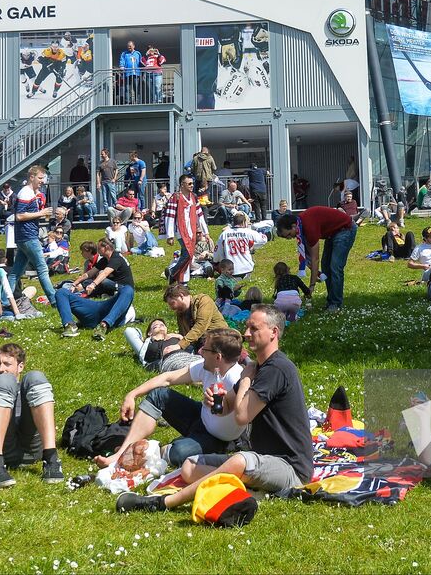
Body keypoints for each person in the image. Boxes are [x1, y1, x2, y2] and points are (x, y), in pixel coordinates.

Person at [117, 306, 313, 513]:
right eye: (247, 327)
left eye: (253, 328)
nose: (246, 334)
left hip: (290, 468)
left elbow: (242, 416)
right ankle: (249, 490)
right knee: (189, 466)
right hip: (263, 458)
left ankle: (162, 503)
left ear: (274, 332)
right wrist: (215, 403)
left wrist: (245, 379)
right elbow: (228, 405)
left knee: (239, 460)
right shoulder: (259, 367)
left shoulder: (275, 368)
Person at [102, 327, 248, 471]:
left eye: (205, 349)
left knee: (179, 453)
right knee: (159, 394)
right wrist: (132, 395)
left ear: (218, 357)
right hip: (200, 419)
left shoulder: (237, 380)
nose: (200, 351)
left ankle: (145, 452)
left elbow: (246, 414)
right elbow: (167, 378)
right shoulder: (207, 367)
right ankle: (122, 452)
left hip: (219, 440)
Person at [0, 344, 64, 488]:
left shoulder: (29, 388)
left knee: (36, 376)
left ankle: (52, 460)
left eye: (7, 364)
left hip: (31, 449)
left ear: (20, 366)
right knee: (5, 381)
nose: (0, 369)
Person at [275, 206, 356, 313]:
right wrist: (316, 272)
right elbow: (309, 257)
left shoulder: (309, 226)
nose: (290, 238)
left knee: (335, 267)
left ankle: (335, 304)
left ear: (294, 226)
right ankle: (331, 301)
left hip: (346, 229)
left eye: (289, 234)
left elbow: (315, 259)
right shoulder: (302, 226)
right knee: (326, 267)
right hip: (332, 234)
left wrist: (312, 285)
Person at [55, 238, 134, 340]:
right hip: (95, 309)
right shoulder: (105, 260)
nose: (96, 249)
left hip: (116, 300)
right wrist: (74, 284)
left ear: (106, 247)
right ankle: (69, 326)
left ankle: (104, 325)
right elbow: (89, 273)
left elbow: (105, 273)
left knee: (127, 289)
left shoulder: (116, 258)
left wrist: (93, 284)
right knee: (61, 292)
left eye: (99, 246)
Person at [8, 166, 62, 309]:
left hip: (23, 237)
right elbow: (19, 216)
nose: (42, 181)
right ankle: (54, 300)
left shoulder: (30, 192)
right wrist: (41, 213)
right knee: (42, 269)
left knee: (16, 273)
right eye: (39, 178)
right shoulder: (25, 192)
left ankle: (5, 300)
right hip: (28, 236)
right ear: (31, 177)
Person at [164, 175, 208, 285]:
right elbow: (169, 216)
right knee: (187, 254)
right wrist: (170, 235)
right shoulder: (176, 197)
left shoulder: (193, 197)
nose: (192, 185)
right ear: (182, 184)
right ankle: (174, 272)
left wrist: (205, 231)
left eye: (192, 183)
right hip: (180, 230)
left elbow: (200, 215)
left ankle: (183, 281)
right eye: (189, 184)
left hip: (192, 230)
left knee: (188, 255)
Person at [215, 211, 267, 279]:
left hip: (230, 271)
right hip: (247, 270)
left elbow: (217, 254)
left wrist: (219, 262)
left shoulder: (224, 234)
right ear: (243, 222)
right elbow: (263, 240)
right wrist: (253, 246)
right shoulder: (249, 232)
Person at [96, 149, 119, 216]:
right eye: (101, 154)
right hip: (103, 182)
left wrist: (114, 178)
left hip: (111, 181)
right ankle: (106, 211)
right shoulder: (100, 163)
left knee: (113, 196)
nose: (101, 155)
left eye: (102, 154)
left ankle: (116, 208)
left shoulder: (112, 161)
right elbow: (98, 173)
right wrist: (98, 183)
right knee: (104, 197)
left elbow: (116, 169)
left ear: (106, 154)